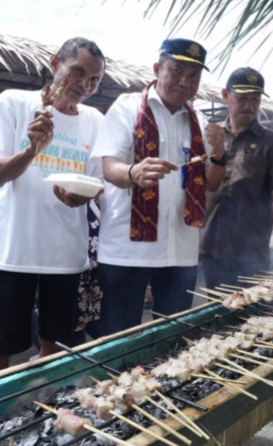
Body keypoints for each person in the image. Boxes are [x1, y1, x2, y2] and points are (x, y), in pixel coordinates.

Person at [89, 39, 225, 337]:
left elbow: (212, 183)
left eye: (193, 76)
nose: (184, 82)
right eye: (176, 71)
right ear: (157, 69)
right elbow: (108, 167)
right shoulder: (126, 109)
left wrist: (219, 153)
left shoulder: (199, 120)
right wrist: (133, 172)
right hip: (128, 249)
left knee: (172, 341)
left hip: (180, 250)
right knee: (117, 339)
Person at [0, 37, 105, 371]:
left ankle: (44, 404)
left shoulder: (95, 120)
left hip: (65, 253)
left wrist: (84, 196)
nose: (84, 85)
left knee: (55, 344)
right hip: (12, 251)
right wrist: (31, 150)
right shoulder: (13, 103)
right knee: (0, 348)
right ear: (56, 63)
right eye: (77, 72)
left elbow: (97, 184)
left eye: (94, 80)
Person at [200, 67, 273, 289]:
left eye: (255, 99)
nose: (249, 105)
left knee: (249, 311)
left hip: (249, 246)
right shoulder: (209, 135)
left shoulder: (271, 143)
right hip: (210, 241)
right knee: (215, 313)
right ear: (225, 95)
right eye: (242, 98)